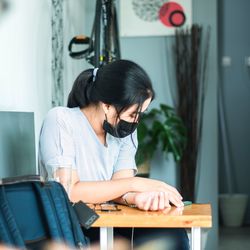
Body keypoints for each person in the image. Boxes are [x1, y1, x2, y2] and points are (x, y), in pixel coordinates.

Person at [38, 59, 189, 249]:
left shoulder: (123, 132)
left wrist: (136, 198)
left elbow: (120, 188)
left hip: (110, 221)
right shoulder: (61, 120)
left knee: (173, 235)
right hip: (76, 225)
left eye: (141, 114)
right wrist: (137, 183)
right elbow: (70, 192)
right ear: (107, 105)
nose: (136, 121)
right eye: (133, 114)